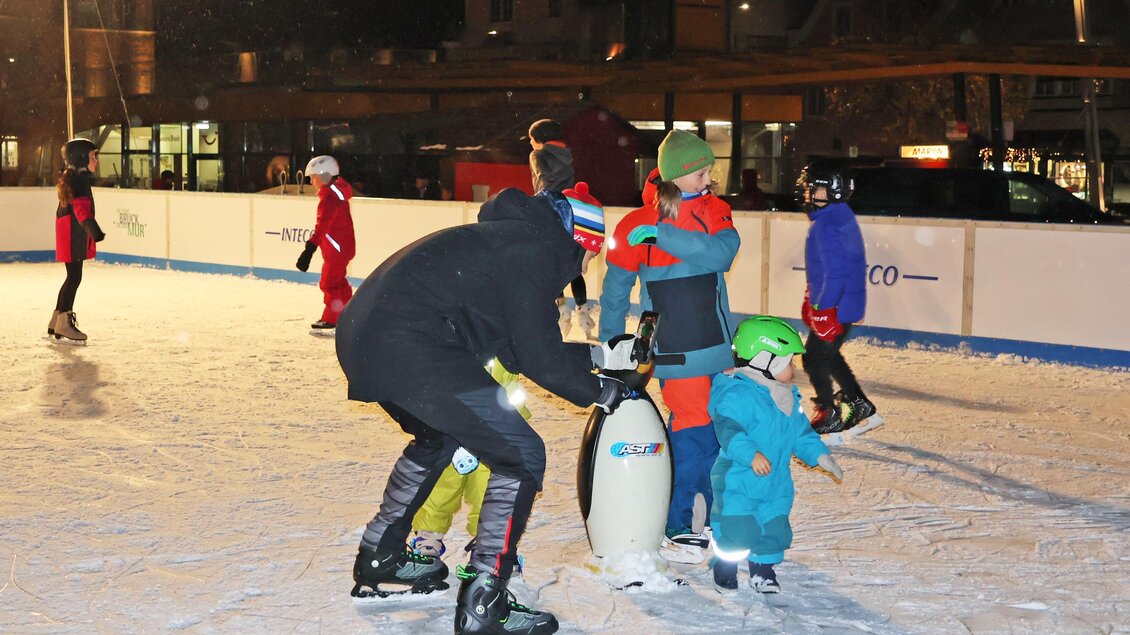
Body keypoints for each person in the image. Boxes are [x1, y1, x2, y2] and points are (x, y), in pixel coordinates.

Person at [335, 183, 637, 635]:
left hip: (366, 338)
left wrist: (594, 359)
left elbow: (514, 347)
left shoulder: (508, 242)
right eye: (590, 256)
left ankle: (381, 554)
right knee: (521, 454)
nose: (586, 267)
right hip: (412, 346)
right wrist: (604, 393)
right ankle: (486, 601)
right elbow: (539, 357)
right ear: (577, 242)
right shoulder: (532, 252)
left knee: (439, 436)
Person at [598, 129, 740, 564]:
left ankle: (716, 516)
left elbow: (722, 255)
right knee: (694, 433)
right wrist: (611, 343)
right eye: (701, 172)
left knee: (725, 433)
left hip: (719, 349)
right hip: (676, 353)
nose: (710, 178)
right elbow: (616, 289)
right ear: (678, 176)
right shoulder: (631, 225)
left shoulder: (715, 210)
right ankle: (680, 523)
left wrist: (661, 235)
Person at [708, 315, 843, 593]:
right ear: (762, 361)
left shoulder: (786, 396)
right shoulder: (737, 394)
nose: (793, 368)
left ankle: (763, 571)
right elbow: (729, 428)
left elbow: (800, 432)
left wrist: (819, 455)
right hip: (739, 478)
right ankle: (725, 565)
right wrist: (750, 454)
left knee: (774, 528)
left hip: (777, 480)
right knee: (738, 528)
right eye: (787, 362)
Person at [408, 357, 532, 561]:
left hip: (499, 421)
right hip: (447, 417)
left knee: (490, 485)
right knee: (441, 480)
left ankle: (490, 542)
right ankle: (428, 534)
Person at [797, 165, 880, 435]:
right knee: (828, 356)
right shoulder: (839, 216)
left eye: (813, 189)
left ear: (829, 192)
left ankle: (827, 410)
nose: (808, 194)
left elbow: (835, 273)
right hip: (843, 304)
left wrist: (822, 308)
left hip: (836, 306)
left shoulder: (826, 224)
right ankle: (858, 402)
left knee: (814, 359)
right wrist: (814, 298)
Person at [526, 118, 594, 339]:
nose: (530, 143)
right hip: (572, 210)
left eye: (531, 138)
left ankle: (562, 308)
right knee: (574, 261)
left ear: (540, 139)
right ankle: (583, 313)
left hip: (549, 210)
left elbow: (542, 182)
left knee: (550, 263)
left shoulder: (537, 155)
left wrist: (536, 206)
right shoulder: (567, 155)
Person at [50, 138, 105, 344]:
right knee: (74, 277)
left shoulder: (71, 177)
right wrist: (94, 230)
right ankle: (64, 322)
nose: (96, 161)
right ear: (81, 158)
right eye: (93, 156)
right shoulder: (79, 181)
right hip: (73, 235)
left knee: (71, 277)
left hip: (69, 233)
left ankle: (57, 318)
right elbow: (81, 210)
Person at [295, 155, 356, 332]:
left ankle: (332, 319)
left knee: (329, 283)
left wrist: (309, 249)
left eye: (313, 177)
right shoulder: (337, 193)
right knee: (338, 281)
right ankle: (347, 312)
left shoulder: (330, 197)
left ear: (324, 175)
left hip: (336, 249)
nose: (312, 181)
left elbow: (322, 225)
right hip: (342, 247)